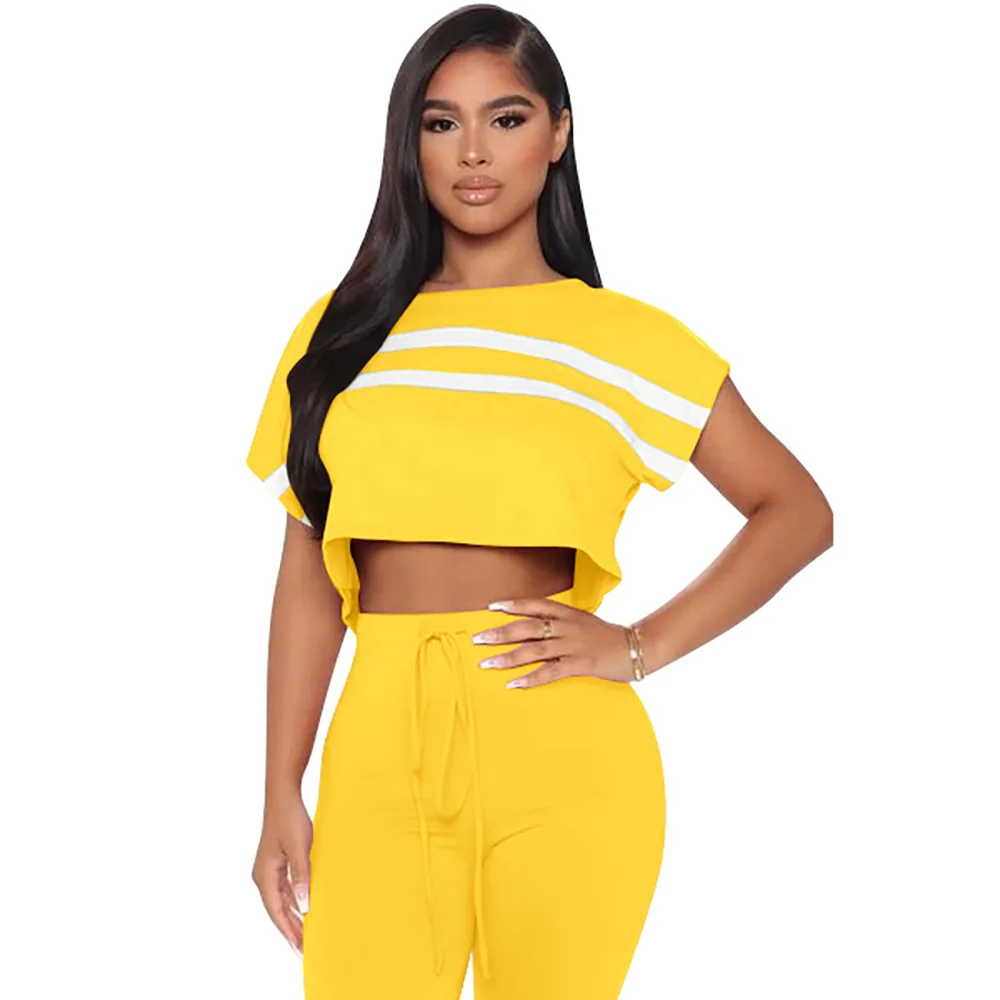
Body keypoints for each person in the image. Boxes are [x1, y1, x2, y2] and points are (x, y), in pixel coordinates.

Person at [246, 5, 833, 998]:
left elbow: (797, 511)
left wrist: (638, 645)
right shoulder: (339, 333)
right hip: (378, 746)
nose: (473, 152)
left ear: (558, 133)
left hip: (560, 743)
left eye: (506, 119)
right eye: (441, 123)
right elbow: (309, 571)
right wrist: (279, 790)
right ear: (410, 143)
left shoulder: (624, 339)